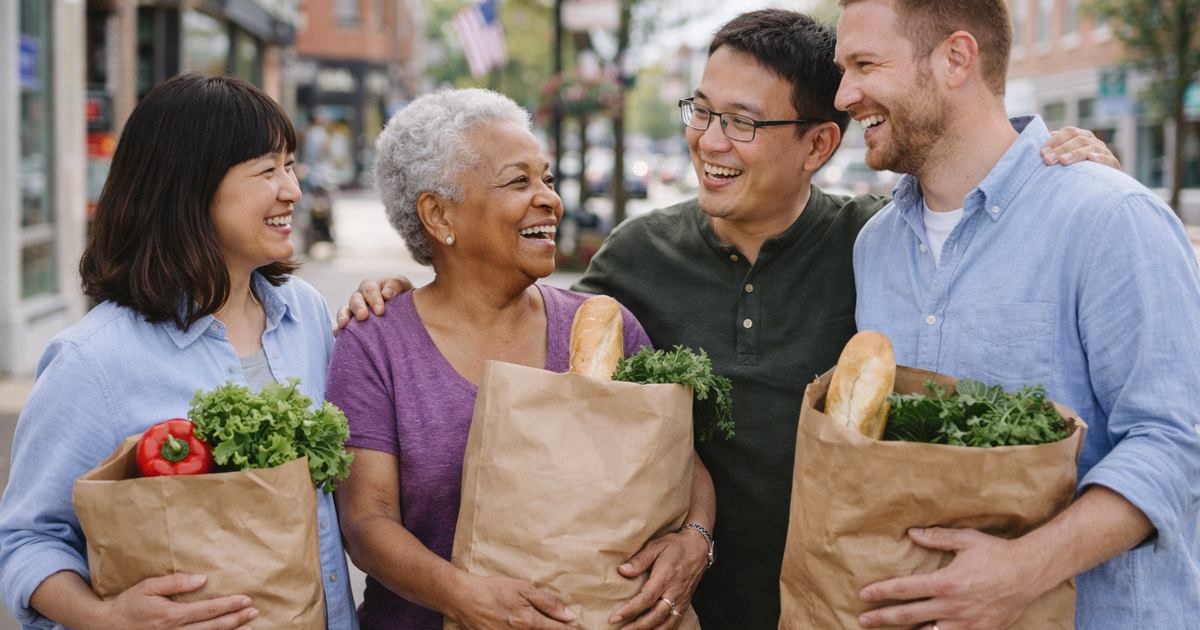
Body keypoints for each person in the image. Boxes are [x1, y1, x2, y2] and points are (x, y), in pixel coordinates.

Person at [340, 11, 1120, 628]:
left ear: (819, 143)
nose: (708, 142)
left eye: (742, 123)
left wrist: (1070, 168)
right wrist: (401, 289)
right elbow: (517, 298)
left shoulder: (881, 243)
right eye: (701, 111)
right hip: (664, 610)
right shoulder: (634, 259)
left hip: (841, 604)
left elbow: (974, 213)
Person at [835, 1, 1200, 629]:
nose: (843, 93)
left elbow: (1174, 443)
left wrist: (1024, 570)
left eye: (865, 63)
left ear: (956, 59)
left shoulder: (1110, 219)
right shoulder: (876, 246)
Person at [326, 88, 713, 630]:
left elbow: (682, 466)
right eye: (519, 181)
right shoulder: (376, 343)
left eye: (547, 179)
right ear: (438, 215)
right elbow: (367, 522)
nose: (550, 199)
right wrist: (461, 596)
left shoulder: (603, 327)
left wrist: (694, 540)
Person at [0, 74, 357, 630]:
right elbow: (28, 539)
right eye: (267, 171)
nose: (292, 189)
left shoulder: (304, 313)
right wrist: (103, 617)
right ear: (189, 188)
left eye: (289, 165)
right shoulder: (92, 360)